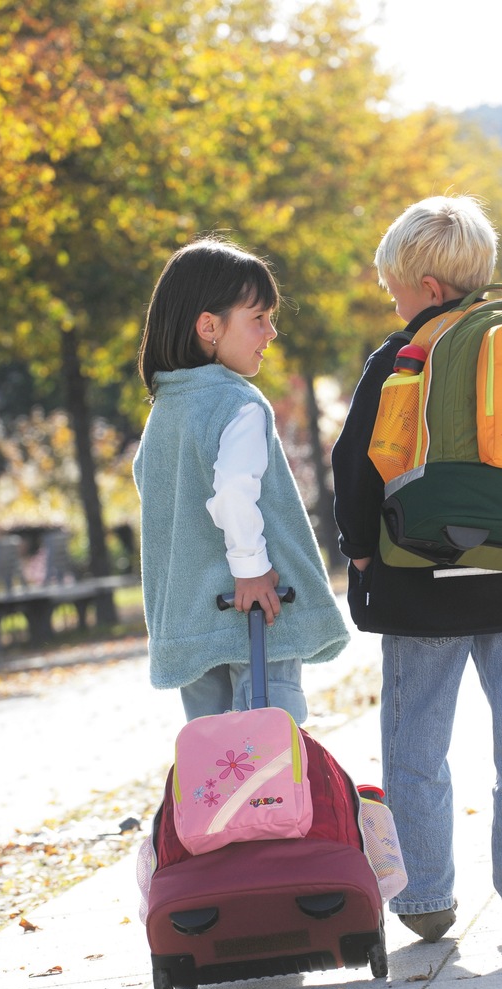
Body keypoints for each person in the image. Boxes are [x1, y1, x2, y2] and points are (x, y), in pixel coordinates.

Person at [332, 196, 502, 942]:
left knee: (416, 747)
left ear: (429, 290)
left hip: (421, 583)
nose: (395, 304)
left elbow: (356, 466)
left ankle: (425, 900)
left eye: (396, 291)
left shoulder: (403, 357)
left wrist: (359, 547)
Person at [134, 236, 349, 724]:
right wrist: (250, 567)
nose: (271, 333)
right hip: (256, 611)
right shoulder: (238, 404)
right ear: (208, 326)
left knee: (212, 761)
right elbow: (233, 491)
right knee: (270, 756)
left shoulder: (165, 412)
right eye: (258, 319)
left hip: (190, 617)